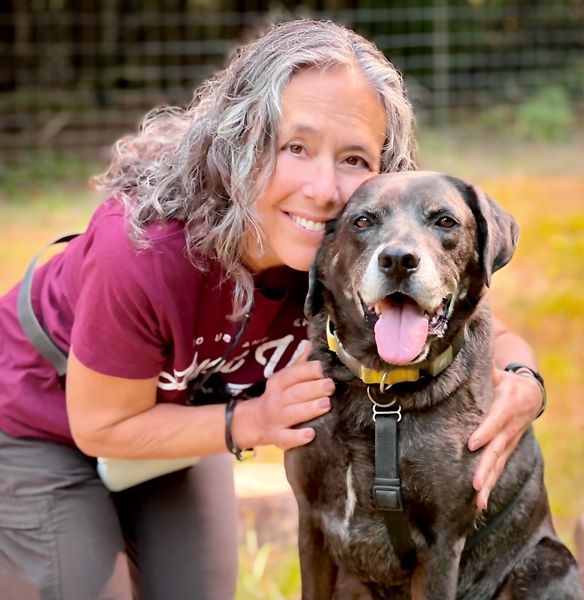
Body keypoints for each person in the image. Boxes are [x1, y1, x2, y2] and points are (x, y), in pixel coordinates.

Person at [0, 18, 545, 600]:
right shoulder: (144, 251)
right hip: (37, 421)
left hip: (182, 414)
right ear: (242, 145)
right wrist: (254, 421)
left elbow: (488, 328)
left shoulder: (350, 252)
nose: (322, 187)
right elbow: (101, 425)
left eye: (355, 159)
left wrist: (525, 384)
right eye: (295, 148)